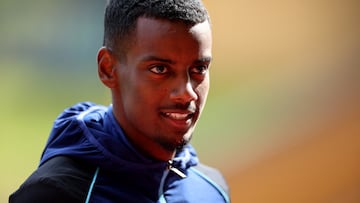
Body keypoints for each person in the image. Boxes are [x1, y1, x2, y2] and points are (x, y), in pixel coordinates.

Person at [9, 0, 230, 202]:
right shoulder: (57, 194)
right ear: (108, 69)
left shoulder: (212, 189)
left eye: (199, 69)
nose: (186, 93)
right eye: (160, 69)